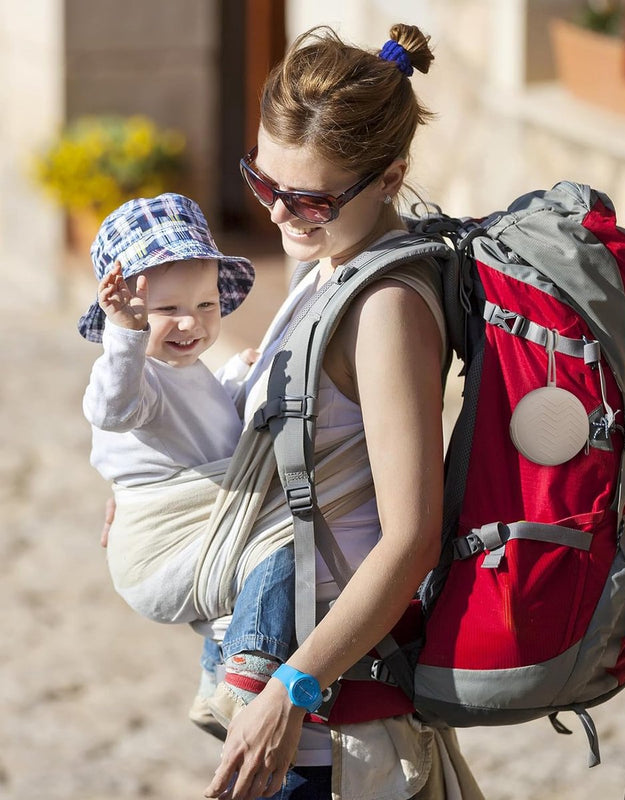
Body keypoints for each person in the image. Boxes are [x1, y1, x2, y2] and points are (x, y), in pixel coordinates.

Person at [200, 23, 485, 800]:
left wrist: (289, 691)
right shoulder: (326, 267)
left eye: (312, 198)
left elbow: (410, 539)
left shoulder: (386, 307)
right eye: (264, 183)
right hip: (297, 707)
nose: (283, 216)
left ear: (391, 179)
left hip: (335, 724)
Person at [80, 192, 299, 738]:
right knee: (283, 544)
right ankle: (246, 671)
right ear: (127, 314)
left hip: (198, 527)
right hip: (163, 544)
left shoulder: (187, 370)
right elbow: (115, 409)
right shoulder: (136, 379)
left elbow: (212, 430)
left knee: (242, 544)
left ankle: (210, 682)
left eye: (206, 306)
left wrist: (238, 379)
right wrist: (125, 337)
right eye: (165, 311)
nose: (190, 324)